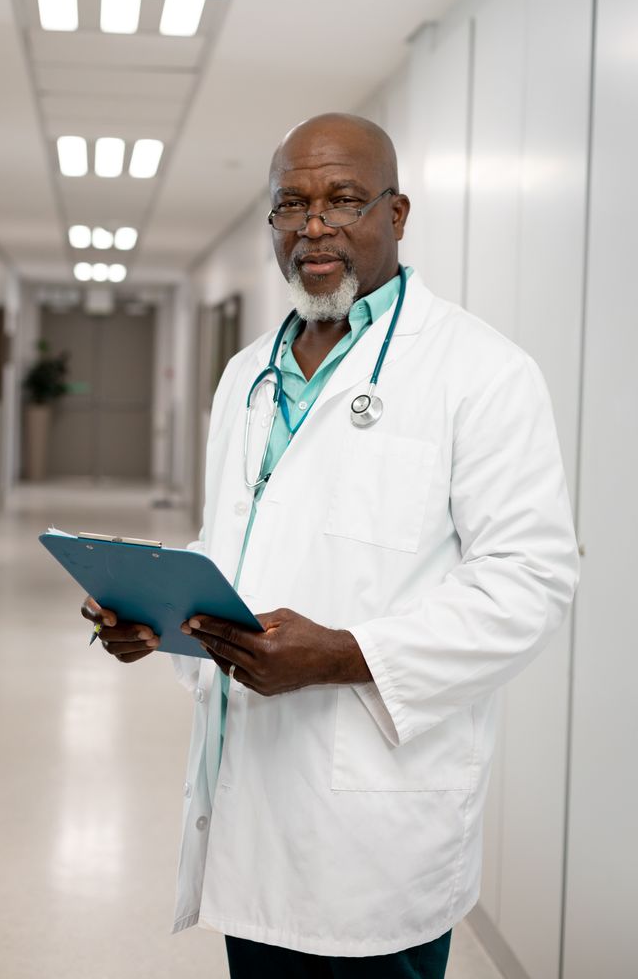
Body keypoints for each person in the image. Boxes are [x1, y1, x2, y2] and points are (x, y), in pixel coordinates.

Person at [83, 113, 580, 978]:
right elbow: (240, 539)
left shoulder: (481, 372)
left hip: (375, 825)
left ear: (397, 213)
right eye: (291, 205)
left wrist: (347, 655)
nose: (314, 227)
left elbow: (531, 583)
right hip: (249, 803)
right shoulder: (247, 373)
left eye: (343, 200)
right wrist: (154, 614)